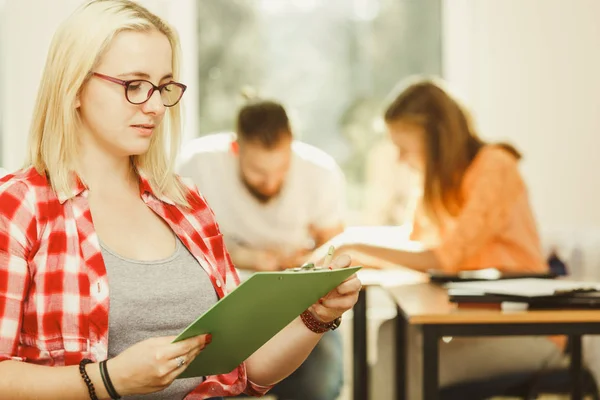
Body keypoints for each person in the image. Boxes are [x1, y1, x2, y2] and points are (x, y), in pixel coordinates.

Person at [0, 2, 361, 399]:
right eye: (133, 85)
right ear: (73, 88)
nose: (155, 106)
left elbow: (245, 370)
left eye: (163, 87)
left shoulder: (184, 202)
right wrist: (110, 379)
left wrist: (315, 316)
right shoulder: (18, 207)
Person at [333, 77, 567, 399]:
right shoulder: (438, 184)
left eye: (404, 148)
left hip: (527, 330)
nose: (400, 160)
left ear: (435, 137)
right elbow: (413, 242)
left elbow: (444, 257)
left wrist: (354, 244)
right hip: (474, 324)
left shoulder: (494, 166)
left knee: (408, 360)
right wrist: (347, 248)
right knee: (392, 334)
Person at [177, 99, 346, 400]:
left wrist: (307, 262)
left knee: (318, 387)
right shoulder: (198, 165)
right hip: (228, 298)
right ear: (235, 149)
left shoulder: (320, 171)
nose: (270, 182)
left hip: (301, 298)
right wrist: (249, 259)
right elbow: (181, 243)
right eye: (257, 171)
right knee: (224, 381)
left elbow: (333, 242)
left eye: (281, 168)